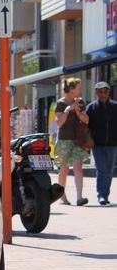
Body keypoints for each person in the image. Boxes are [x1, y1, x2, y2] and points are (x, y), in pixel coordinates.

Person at [54, 77, 90, 206]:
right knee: (64, 169)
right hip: (64, 141)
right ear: (71, 90)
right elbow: (59, 123)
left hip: (78, 140)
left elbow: (86, 121)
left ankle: (79, 197)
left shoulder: (80, 102)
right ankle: (62, 196)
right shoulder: (60, 103)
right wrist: (68, 110)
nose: (80, 90)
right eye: (78, 88)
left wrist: (78, 111)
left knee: (78, 167)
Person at [85, 81, 117, 205]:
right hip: (97, 145)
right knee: (101, 170)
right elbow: (85, 125)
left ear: (108, 92)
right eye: (100, 92)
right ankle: (101, 195)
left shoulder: (115, 106)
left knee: (109, 171)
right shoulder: (91, 108)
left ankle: (105, 194)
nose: (103, 95)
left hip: (113, 145)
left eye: (105, 92)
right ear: (96, 92)